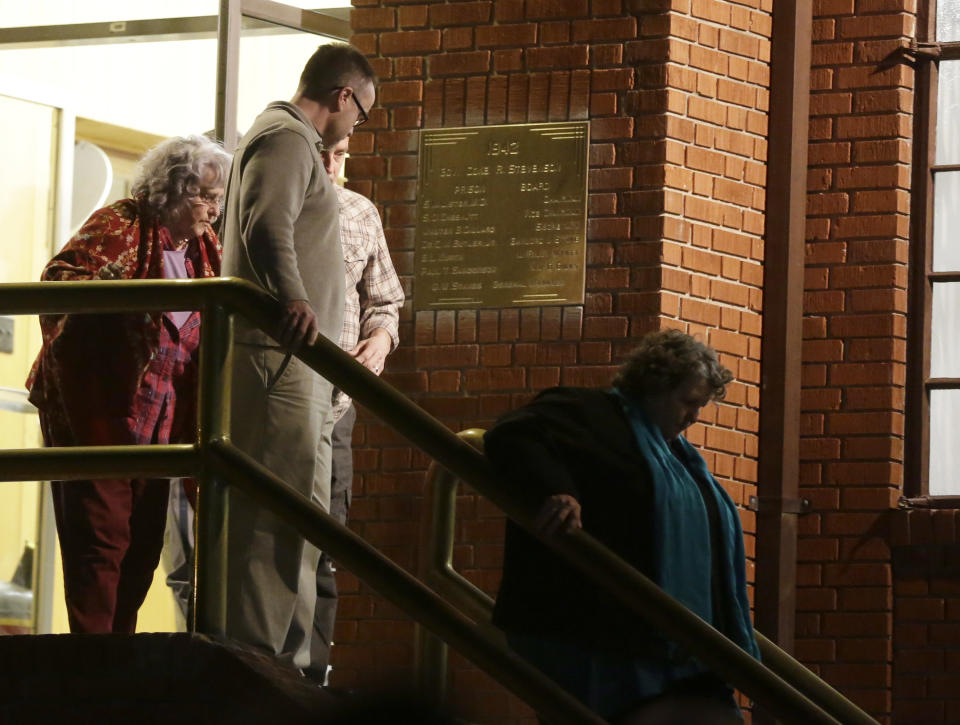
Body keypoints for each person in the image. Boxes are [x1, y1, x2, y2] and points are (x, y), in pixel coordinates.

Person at [483, 329, 760, 724]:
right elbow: (513, 434)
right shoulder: (587, 411)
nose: (694, 417)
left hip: (671, 649)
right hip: (598, 634)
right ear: (656, 385)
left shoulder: (676, 455)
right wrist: (557, 489)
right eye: (688, 403)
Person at [25, 135, 230, 633]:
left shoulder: (206, 248)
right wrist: (116, 298)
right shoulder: (123, 222)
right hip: (101, 409)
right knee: (101, 537)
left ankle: (120, 657)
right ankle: (94, 667)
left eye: (219, 198)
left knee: (143, 544)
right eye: (206, 195)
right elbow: (59, 283)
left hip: (164, 422)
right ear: (174, 189)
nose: (214, 208)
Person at [218, 42, 377, 668]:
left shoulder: (295, 144)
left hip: (299, 364)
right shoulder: (285, 139)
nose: (357, 126)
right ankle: (255, 656)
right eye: (361, 113)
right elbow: (265, 223)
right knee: (271, 515)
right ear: (342, 97)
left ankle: (289, 658)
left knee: (300, 516)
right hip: (277, 357)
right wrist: (295, 299)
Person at [305, 136, 404, 682]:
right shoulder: (267, 202)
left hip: (338, 403)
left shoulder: (359, 212)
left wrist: (381, 341)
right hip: (281, 400)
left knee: (328, 540)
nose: (330, 164)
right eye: (322, 152)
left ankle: (311, 677)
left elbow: (386, 299)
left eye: (339, 154)